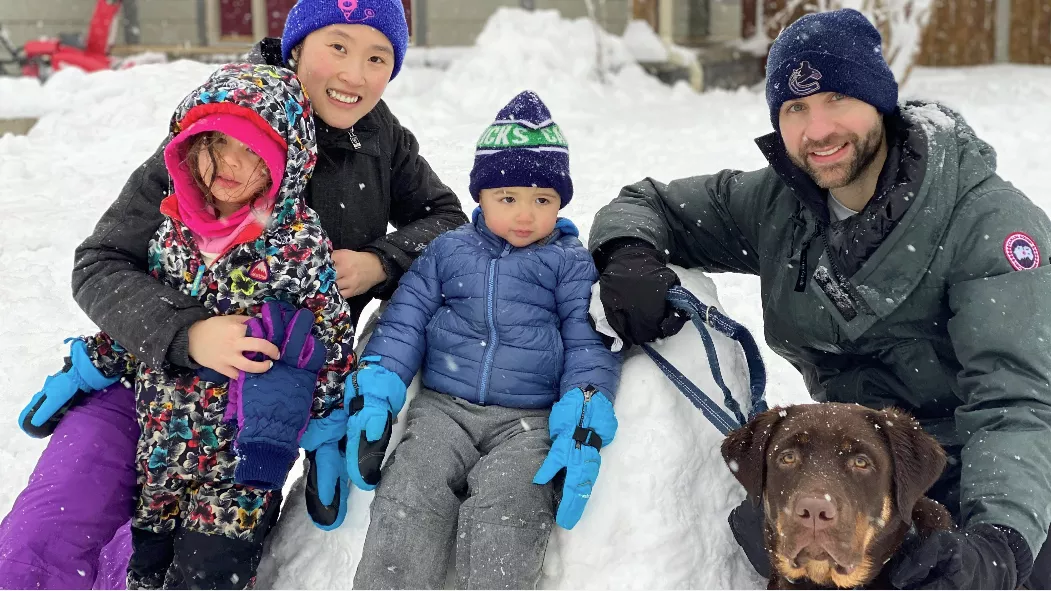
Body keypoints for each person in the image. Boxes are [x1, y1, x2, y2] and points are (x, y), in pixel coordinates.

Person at [0, 0, 467, 588]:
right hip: (146, 379)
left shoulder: (378, 140)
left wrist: (381, 261)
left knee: (196, 563)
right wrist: (186, 333)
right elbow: (100, 263)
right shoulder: (224, 121)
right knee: (45, 535)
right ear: (297, 44)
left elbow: (446, 218)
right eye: (338, 47)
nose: (355, 75)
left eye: (378, 56)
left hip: (258, 410)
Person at [588, 9, 1051, 590]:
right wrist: (629, 253)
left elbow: (1016, 403)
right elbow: (648, 203)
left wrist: (998, 545)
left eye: (837, 98)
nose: (818, 129)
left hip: (976, 470)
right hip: (838, 460)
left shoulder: (989, 223)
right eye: (795, 109)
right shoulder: (779, 204)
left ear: (881, 102)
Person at [40, 63, 356, 589]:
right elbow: (152, 314)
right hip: (161, 450)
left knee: (209, 575)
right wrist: (91, 363)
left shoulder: (296, 247)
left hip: (243, 460)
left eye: (254, 152)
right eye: (218, 144)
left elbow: (326, 340)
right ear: (192, 143)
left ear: (287, 164)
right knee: (147, 569)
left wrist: (324, 430)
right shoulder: (172, 231)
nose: (231, 163)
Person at [345, 91, 621, 589]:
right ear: (481, 196)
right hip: (442, 411)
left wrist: (583, 410)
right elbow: (406, 318)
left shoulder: (569, 263)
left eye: (542, 200)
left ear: (560, 203)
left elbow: (586, 342)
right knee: (411, 490)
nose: (524, 215)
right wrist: (379, 385)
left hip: (527, 422)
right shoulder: (447, 251)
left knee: (511, 502)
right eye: (507, 198)